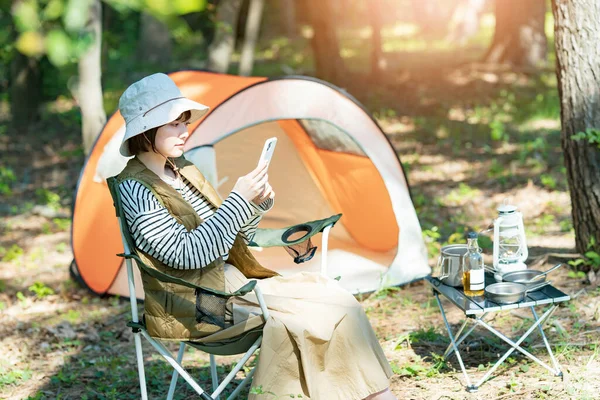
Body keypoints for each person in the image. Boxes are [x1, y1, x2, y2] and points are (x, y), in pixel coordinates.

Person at [115, 73, 396, 400]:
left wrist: (253, 204)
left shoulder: (183, 170)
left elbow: (228, 236)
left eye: (185, 122)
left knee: (337, 299)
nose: (185, 130)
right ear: (146, 129)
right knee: (315, 317)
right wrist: (237, 200)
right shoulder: (135, 187)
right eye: (174, 124)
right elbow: (186, 254)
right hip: (198, 302)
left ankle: (374, 395)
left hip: (231, 282)